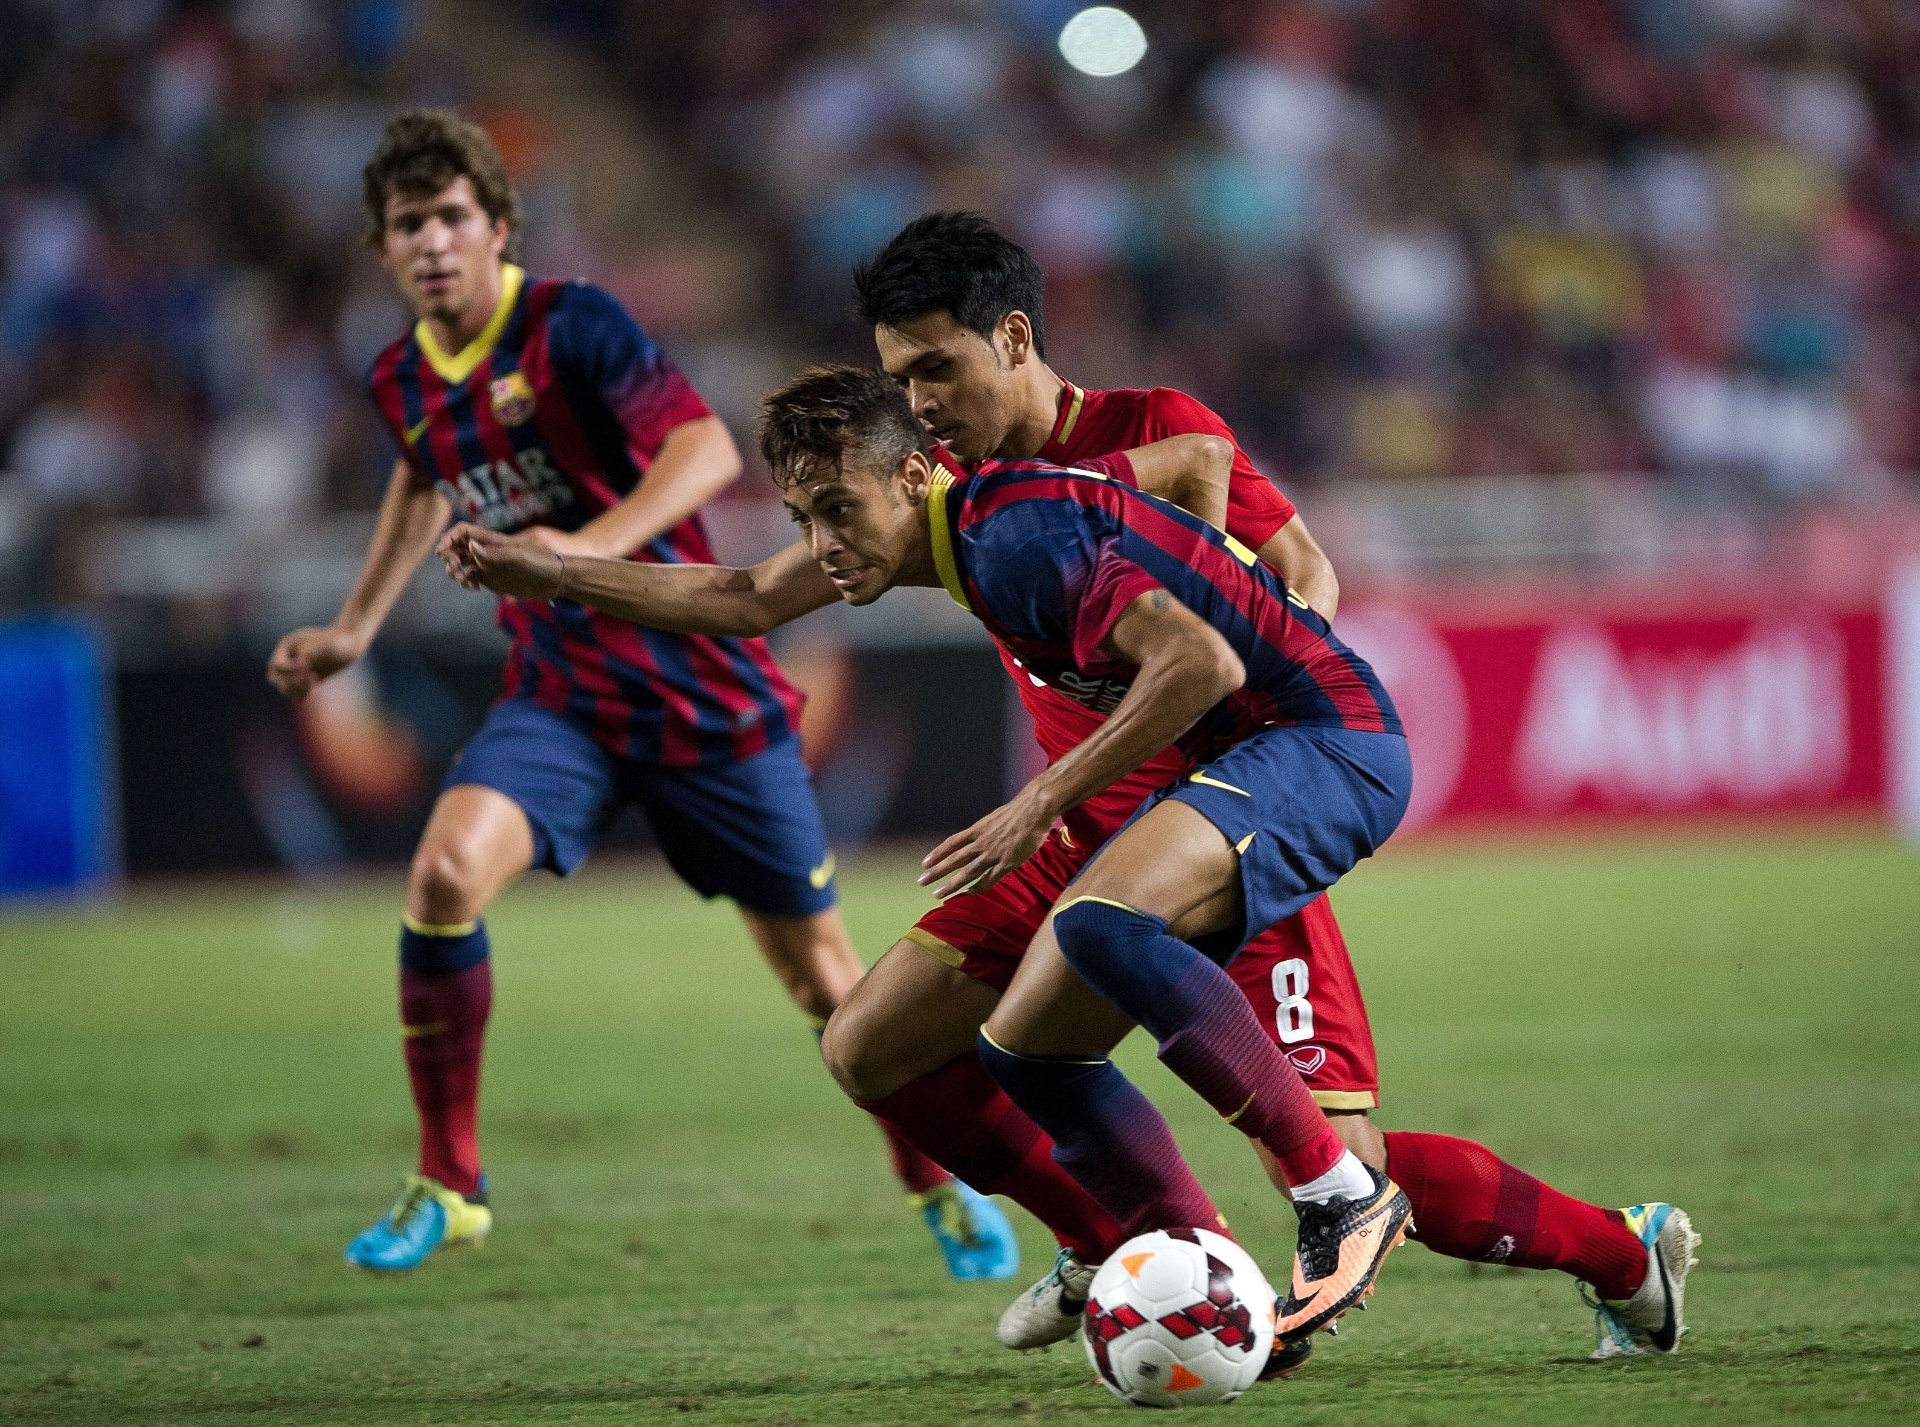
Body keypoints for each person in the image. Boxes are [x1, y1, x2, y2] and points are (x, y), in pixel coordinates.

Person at [441, 365, 1697, 1369]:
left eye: (839, 508)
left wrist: (1039, 793)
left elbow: (1202, 640)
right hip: (1136, 819)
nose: (821, 540)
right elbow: (736, 594)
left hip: (1279, 766)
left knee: (1316, 1131)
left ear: (980, 379)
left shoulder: (1025, 519)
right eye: (806, 515)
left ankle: (1470, 1222)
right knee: (956, 1044)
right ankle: (1164, 1249)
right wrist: (548, 569)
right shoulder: (960, 526)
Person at [841, 213, 1698, 1363]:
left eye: (934, 368)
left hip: (1218, 816)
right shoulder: (949, 483)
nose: (923, 401)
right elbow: (774, 580)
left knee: (1354, 1158)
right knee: (894, 1041)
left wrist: (1240, 734)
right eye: (902, 379)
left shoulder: (1158, 429)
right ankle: (1138, 1249)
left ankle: (1620, 1251)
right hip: (1084, 834)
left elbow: (1304, 574)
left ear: (1010, 336)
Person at [265, 111, 1019, 1281]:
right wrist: (353, 626)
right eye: (408, 225)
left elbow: (704, 457)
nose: (431, 242)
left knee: (824, 980)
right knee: (443, 872)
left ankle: (936, 1179)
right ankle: (449, 1182)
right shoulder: (401, 376)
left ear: (496, 227)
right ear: (384, 249)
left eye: (452, 216)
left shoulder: (574, 324)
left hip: (700, 690)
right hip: (560, 696)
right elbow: (424, 473)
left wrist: (571, 559)